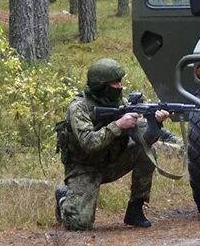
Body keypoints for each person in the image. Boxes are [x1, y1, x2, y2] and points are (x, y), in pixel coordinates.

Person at [55, 58, 170, 231]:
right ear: (101, 85)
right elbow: (89, 143)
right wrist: (118, 125)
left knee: (147, 152)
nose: (120, 86)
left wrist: (155, 123)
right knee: (78, 224)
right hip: (84, 168)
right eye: (115, 82)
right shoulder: (79, 107)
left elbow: (142, 141)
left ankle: (135, 210)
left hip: (111, 163)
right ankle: (63, 198)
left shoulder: (120, 104)